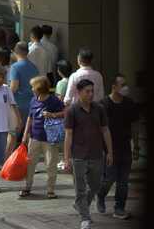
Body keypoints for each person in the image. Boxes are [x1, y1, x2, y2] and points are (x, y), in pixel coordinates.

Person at [64, 79, 114, 229]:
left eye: (92, 91)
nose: (91, 94)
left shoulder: (99, 109)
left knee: (95, 185)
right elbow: (68, 135)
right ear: (79, 92)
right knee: (80, 188)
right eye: (87, 91)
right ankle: (85, 218)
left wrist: (110, 151)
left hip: (97, 154)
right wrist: (67, 159)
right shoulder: (72, 110)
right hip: (78, 156)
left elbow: (105, 130)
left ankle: (80, 204)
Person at [96, 74, 140, 220]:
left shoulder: (129, 103)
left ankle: (119, 208)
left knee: (123, 182)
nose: (126, 88)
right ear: (114, 87)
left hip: (125, 147)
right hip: (109, 148)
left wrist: (136, 145)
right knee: (109, 178)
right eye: (123, 85)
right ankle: (100, 195)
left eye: (126, 84)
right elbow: (101, 129)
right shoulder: (104, 104)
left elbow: (134, 125)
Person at [19, 76, 65, 199]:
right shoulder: (34, 100)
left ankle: (50, 190)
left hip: (50, 138)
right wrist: (25, 134)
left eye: (33, 87)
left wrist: (52, 115)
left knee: (50, 164)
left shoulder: (54, 100)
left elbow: (65, 112)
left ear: (39, 88)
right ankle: (27, 187)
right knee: (30, 164)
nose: (31, 89)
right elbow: (30, 117)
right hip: (34, 137)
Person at [9, 42, 39, 151]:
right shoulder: (34, 67)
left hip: (18, 105)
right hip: (31, 104)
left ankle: (9, 160)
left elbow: (14, 87)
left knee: (13, 134)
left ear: (15, 52)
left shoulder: (15, 67)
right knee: (27, 134)